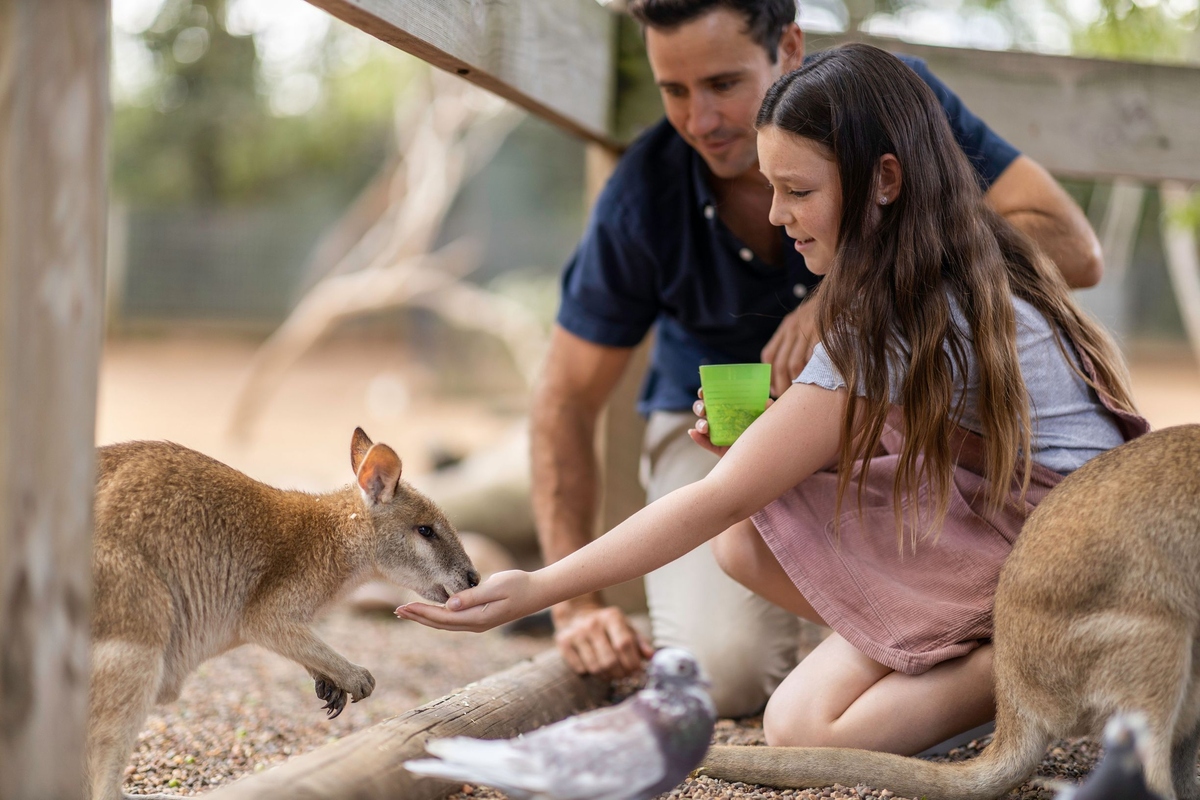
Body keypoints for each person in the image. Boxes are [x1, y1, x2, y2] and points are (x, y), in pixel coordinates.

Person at [398, 43, 1147, 753]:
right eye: (772, 188)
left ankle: (1059, 656)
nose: (778, 214)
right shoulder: (953, 255)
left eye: (798, 191)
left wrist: (538, 586)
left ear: (885, 180)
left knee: (804, 725)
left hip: (1065, 555)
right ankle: (961, 659)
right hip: (1027, 530)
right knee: (754, 555)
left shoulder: (891, 308)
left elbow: (717, 495)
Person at [532, 0, 1105, 717]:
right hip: (722, 421)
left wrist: (845, 297)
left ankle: (976, 652)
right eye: (672, 91)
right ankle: (923, 651)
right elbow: (565, 399)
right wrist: (572, 605)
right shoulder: (644, 192)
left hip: (907, 425)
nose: (701, 119)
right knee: (725, 667)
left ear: (789, 47)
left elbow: (1075, 249)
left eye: (723, 84)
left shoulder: (885, 107)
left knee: (795, 678)